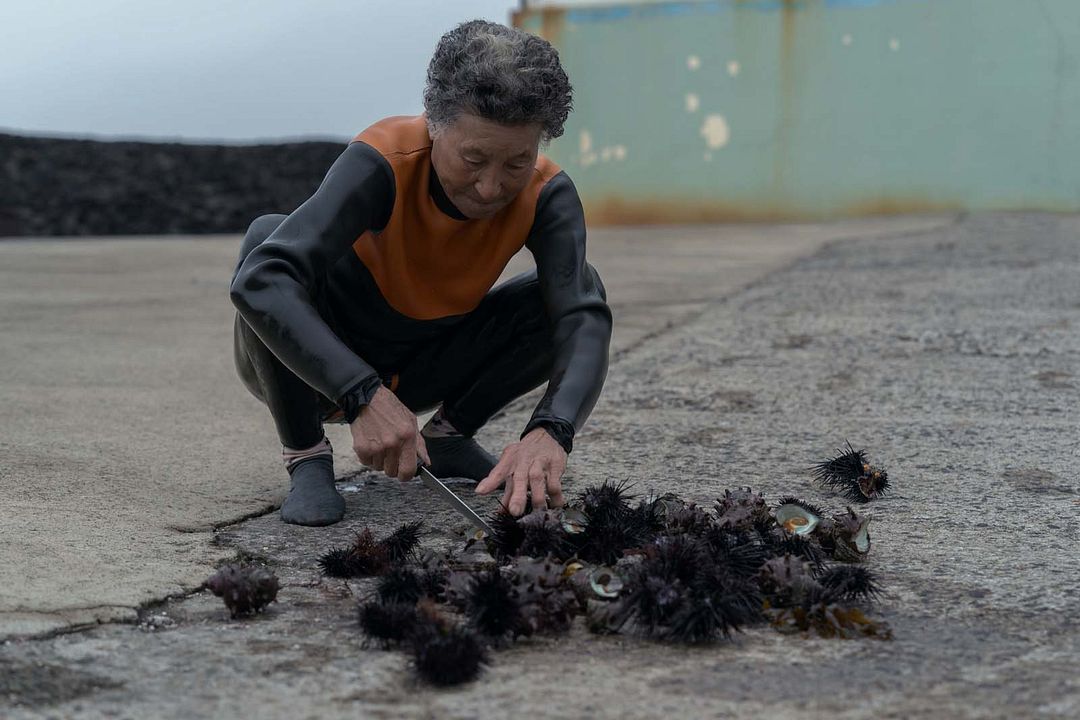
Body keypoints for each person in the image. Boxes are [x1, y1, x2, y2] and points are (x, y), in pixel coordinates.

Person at [230, 20, 611, 527]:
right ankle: (307, 457)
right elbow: (259, 280)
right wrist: (360, 392)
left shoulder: (547, 195)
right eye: (473, 158)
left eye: (517, 163)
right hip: (313, 366)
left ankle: (449, 438)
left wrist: (553, 428)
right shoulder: (383, 161)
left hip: (422, 362)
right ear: (434, 123)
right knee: (266, 239)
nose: (491, 187)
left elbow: (580, 318)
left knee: (581, 287)